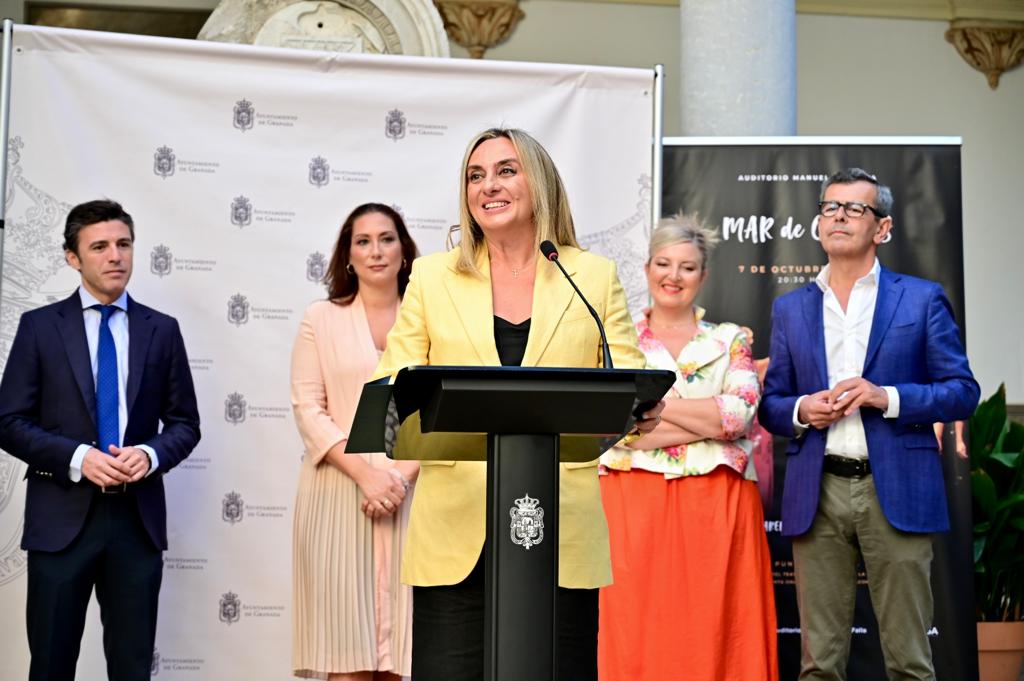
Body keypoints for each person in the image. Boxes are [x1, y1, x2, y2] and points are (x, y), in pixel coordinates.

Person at [371, 127, 661, 681]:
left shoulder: (590, 276)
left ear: (540, 183)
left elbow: (627, 378)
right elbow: (393, 379)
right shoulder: (433, 276)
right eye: (475, 176)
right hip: (454, 531)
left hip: (557, 527)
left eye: (506, 170)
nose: (488, 186)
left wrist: (640, 407)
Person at [759, 168, 980, 681]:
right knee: (819, 664)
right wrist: (800, 411)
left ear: (882, 229)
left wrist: (888, 397)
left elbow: (963, 392)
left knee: (908, 660)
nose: (837, 216)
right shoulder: (791, 309)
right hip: (820, 489)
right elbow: (771, 404)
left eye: (854, 208)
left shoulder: (920, 299)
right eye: (829, 207)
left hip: (896, 487)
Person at [0, 199, 201, 681]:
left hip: (137, 523)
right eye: (101, 246)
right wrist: (79, 457)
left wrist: (150, 454)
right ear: (73, 257)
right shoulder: (40, 327)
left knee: (132, 668)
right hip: (60, 521)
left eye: (124, 244)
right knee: (51, 664)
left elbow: (185, 424)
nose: (116, 256)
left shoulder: (162, 330)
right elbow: (8, 421)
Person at [598, 215, 778, 681]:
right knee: (636, 626)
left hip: (718, 502)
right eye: (663, 263)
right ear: (646, 268)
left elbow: (739, 416)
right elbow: (615, 427)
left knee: (715, 627)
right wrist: (705, 416)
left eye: (687, 267)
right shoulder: (617, 344)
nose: (673, 276)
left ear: (704, 276)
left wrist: (657, 408)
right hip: (631, 501)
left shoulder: (729, 338)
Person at [289, 203, 420, 680]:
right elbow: (309, 409)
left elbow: (443, 413)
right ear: (347, 255)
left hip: (413, 497)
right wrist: (367, 476)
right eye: (362, 241)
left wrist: (398, 479)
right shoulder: (320, 318)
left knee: (405, 657)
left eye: (386, 238)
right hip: (338, 495)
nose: (375, 250)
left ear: (405, 250)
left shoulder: (430, 320)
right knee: (346, 657)